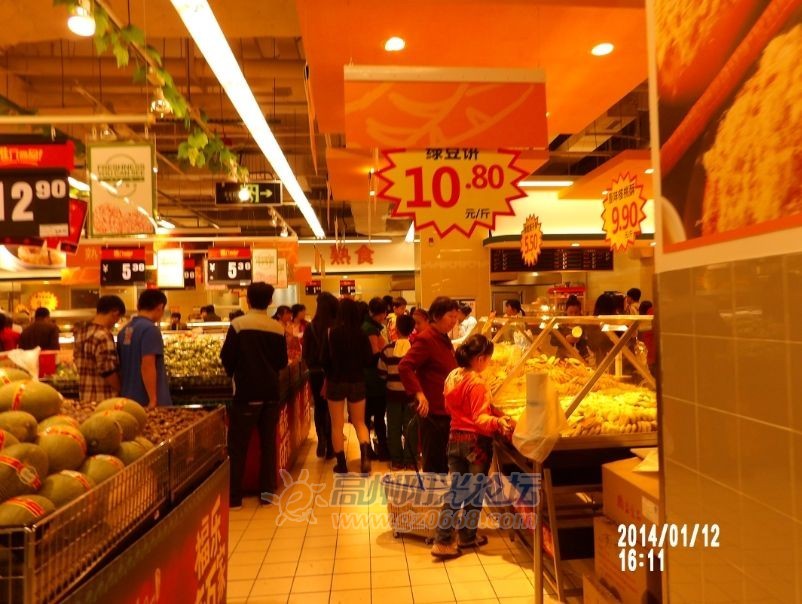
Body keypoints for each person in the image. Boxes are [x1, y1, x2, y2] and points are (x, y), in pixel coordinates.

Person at [430, 334, 513, 558]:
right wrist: (498, 422)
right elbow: (480, 419)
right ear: (480, 359)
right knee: (474, 492)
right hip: (475, 444)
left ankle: (452, 538)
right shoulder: (477, 383)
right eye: (488, 359)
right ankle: (456, 538)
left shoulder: (453, 376)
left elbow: (448, 407)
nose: (489, 363)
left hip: (455, 438)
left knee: (456, 490)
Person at [220, 282, 289, 509]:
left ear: (248, 300)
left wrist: (236, 372)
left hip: (246, 394)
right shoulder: (277, 328)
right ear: (270, 302)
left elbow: (227, 357)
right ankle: (266, 494)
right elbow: (282, 362)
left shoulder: (238, 325)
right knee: (268, 446)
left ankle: (234, 498)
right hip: (270, 394)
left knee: (238, 447)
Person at [398, 296, 459, 474]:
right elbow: (405, 366)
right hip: (433, 412)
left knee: (443, 460)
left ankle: (441, 490)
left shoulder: (443, 337)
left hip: (445, 409)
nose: (454, 321)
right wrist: (418, 393)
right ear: (437, 316)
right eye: (450, 316)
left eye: (456, 317)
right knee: (434, 461)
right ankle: (434, 491)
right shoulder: (427, 338)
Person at [323, 298, 374, 474]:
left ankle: (341, 464)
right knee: (360, 422)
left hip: (335, 381)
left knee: (337, 424)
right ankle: (365, 458)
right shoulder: (361, 334)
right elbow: (368, 360)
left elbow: (324, 359)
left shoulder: (331, 333)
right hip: (357, 380)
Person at [117, 289, 171, 408]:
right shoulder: (150, 330)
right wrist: (153, 399)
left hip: (128, 398)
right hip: (145, 398)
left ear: (138, 306)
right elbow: (147, 365)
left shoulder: (124, 330)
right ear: (160, 307)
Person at [378, 314, 418, 470]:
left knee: (393, 428)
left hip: (392, 395)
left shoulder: (388, 350)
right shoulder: (415, 349)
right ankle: (410, 460)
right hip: (411, 396)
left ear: (397, 329)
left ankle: (396, 460)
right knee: (411, 428)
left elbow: (381, 373)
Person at [302, 292, 338, 459]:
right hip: (332, 372)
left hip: (315, 373)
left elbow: (305, 354)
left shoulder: (310, 327)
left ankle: (321, 439)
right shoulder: (336, 326)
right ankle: (331, 444)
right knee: (332, 408)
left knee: (319, 406)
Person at [73, 295, 126, 403]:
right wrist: (122, 389)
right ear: (115, 312)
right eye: (118, 318)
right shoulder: (103, 335)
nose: (116, 322)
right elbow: (108, 371)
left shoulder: (80, 333)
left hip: (85, 397)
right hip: (104, 398)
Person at [363, 297, 389, 461]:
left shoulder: (369, 326)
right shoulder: (370, 329)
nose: (383, 316)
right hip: (374, 379)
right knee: (377, 417)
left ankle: (370, 451)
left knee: (368, 417)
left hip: (369, 379)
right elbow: (375, 354)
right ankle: (381, 451)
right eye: (382, 313)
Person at [551, 295, 589, 360]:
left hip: (581, 359)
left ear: (580, 312)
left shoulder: (584, 326)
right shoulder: (560, 325)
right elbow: (553, 341)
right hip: (562, 359)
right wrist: (565, 339)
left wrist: (580, 339)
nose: (573, 315)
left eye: (576, 312)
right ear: (566, 312)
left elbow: (590, 342)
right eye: (571, 312)